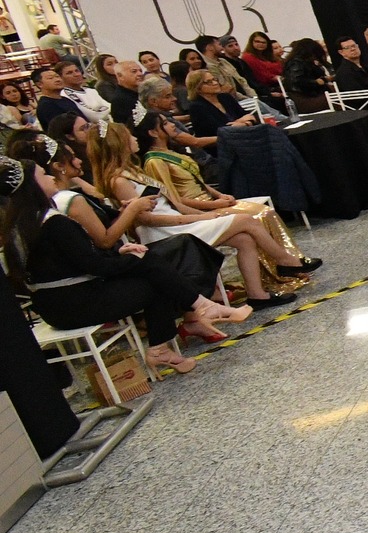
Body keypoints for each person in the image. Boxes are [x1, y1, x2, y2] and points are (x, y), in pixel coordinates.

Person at [1, 154, 241, 374]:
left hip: (55, 304)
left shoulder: (17, 226)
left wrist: (122, 253)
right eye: (44, 175)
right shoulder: (53, 222)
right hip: (75, 303)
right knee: (152, 276)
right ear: (31, 187)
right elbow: (94, 265)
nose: (51, 177)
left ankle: (194, 314)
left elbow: (71, 261)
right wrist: (129, 259)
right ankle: (190, 317)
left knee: (148, 264)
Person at [105, 116, 316, 308]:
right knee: (246, 220)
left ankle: (257, 295)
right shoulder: (121, 180)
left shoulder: (134, 171)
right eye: (129, 136)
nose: (135, 138)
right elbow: (147, 219)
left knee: (244, 239)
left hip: (178, 221)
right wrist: (201, 216)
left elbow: (175, 203)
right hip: (165, 233)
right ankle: (286, 261)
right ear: (119, 143)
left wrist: (203, 214)